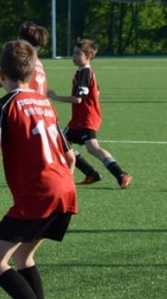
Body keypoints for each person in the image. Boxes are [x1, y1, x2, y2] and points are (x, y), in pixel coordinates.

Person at [0, 40, 76, 299]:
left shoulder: (1, 107)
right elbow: (70, 156)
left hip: (38, 194)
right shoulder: (46, 104)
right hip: (64, 188)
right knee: (23, 259)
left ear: (0, 73)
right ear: (33, 73)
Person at [48, 39, 132, 188]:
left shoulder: (84, 73)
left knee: (91, 147)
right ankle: (91, 173)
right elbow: (96, 91)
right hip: (80, 118)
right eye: (73, 53)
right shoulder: (84, 72)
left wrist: (55, 97)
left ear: (88, 56)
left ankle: (120, 174)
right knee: (60, 144)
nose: (74, 56)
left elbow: (78, 99)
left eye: (78, 53)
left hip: (85, 119)